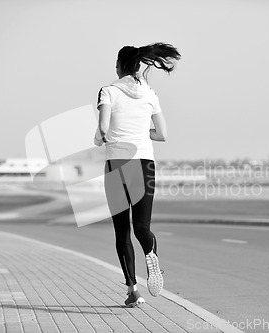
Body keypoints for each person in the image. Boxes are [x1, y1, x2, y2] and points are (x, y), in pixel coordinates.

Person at [94, 42, 181, 307]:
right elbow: (163, 135)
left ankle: (133, 290)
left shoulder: (108, 91)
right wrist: (141, 133)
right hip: (144, 163)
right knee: (143, 227)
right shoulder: (150, 94)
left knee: (123, 231)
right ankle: (151, 254)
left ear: (119, 66)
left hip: (117, 163)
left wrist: (99, 138)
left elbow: (104, 129)